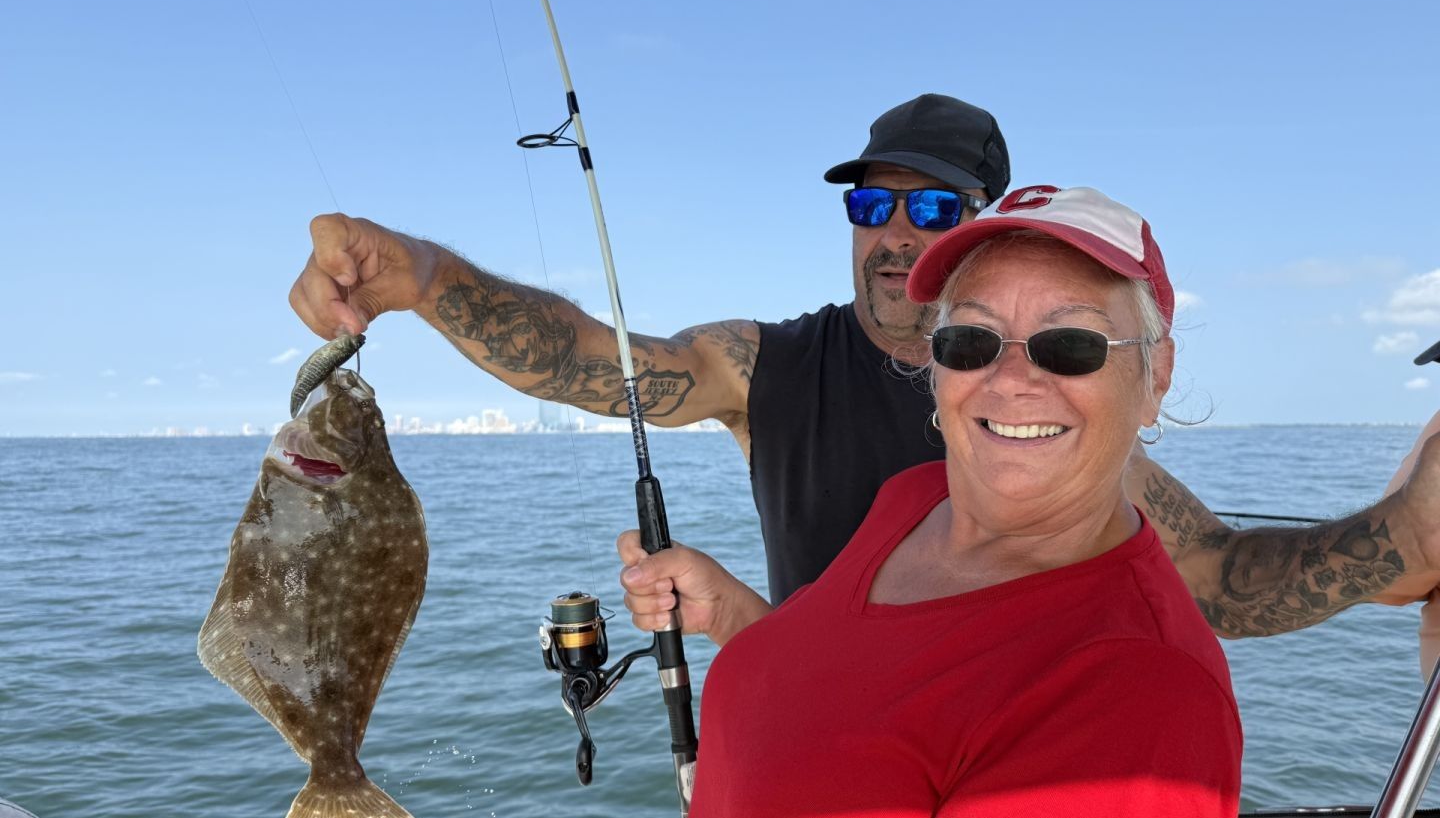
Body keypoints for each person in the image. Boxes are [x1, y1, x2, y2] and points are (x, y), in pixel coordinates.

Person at [289, 92, 1440, 634]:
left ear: (991, 225)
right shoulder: (766, 365)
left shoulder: (1057, 413)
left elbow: (1220, 577)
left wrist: (1409, 536)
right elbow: (594, 364)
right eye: (873, 201)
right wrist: (425, 277)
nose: (896, 230)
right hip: (826, 734)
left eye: (932, 203)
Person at [618, 186, 1242, 815]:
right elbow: (853, 693)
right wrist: (730, 613)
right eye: (973, 339)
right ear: (936, 365)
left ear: (1154, 375)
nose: (1011, 380)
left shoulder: (1145, 696)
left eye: (1071, 344)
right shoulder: (914, 499)